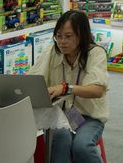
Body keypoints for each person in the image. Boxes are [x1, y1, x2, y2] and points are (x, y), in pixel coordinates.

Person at [28, 10, 109, 163]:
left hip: (89, 117)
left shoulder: (96, 53)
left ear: (81, 35)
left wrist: (65, 88)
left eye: (68, 36)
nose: (62, 42)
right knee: (60, 139)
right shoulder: (52, 51)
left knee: (82, 147)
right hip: (59, 114)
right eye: (58, 36)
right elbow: (33, 78)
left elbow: (97, 90)